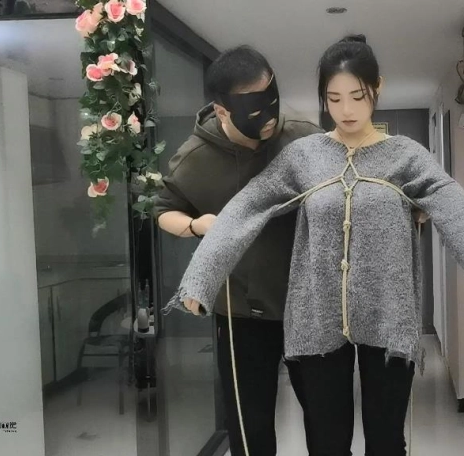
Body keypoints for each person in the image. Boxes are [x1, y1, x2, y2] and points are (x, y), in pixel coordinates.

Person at [167, 35, 464, 456]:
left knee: (386, 442)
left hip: (388, 317)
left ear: (377, 88)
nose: (347, 110)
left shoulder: (405, 156)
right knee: (327, 443)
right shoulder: (303, 156)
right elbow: (246, 208)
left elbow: (457, 212)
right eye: (334, 99)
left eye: (357, 96)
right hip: (316, 321)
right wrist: (201, 279)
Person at [153, 45, 322, 456]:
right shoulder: (193, 159)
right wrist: (197, 226)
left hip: (310, 305)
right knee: (250, 430)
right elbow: (162, 211)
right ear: (222, 110)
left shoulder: (304, 137)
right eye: (254, 109)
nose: (268, 118)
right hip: (241, 314)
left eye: (271, 101)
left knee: (326, 423)